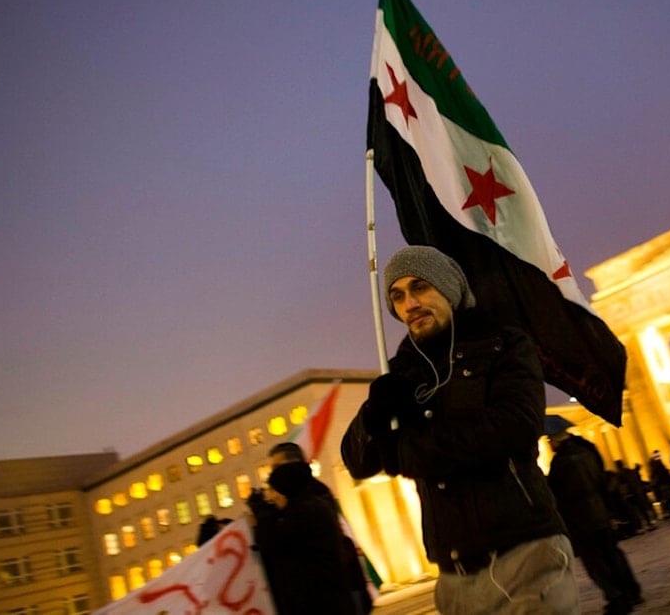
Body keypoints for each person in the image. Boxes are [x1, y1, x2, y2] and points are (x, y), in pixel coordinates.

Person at [340, 245, 580, 614]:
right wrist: (373, 416)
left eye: (420, 287)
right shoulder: (402, 370)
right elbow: (357, 462)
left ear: (448, 287)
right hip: (453, 579)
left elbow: (515, 425)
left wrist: (404, 452)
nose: (409, 304)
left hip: (525, 555)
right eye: (398, 296)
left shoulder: (504, 342)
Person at [269, 443, 374, 614]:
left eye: (277, 467)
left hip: (325, 597)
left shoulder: (311, 499)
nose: (274, 475)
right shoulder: (309, 498)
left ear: (293, 464)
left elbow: (286, 543)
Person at [547, 431, 643, 615]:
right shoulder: (587, 453)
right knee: (613, 555)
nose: (549, 444)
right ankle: (632, 591)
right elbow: (601, 481)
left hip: (581, 519)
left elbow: (557, 492)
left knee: (594, 561)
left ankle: (616, 597)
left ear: (557, 440)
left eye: (550, 439)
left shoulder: (561, 463)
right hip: (600, 513)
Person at [248, 461, 355, 614]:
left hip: (317, 600)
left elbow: (270, 543)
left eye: (275, 490)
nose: (271, 497)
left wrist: (263, 514)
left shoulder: (302, 513)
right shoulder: (312, 506)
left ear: (286, 489)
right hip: (328, 596)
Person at [647, 451, 670, 518]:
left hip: (663, 484)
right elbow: (661, 475)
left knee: (667, 498)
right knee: (667, 498)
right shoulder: (657, 465)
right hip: (663, 484)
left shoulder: (656, 465)